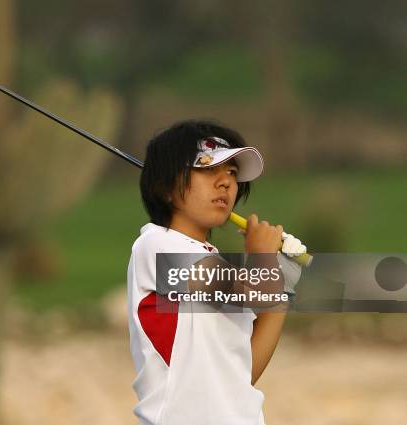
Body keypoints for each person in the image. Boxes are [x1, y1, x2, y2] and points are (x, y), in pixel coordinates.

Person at [127, 119, 306, 425]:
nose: (225, 182)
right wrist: (264, 259)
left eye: (232, 173)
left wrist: (282, 292)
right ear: (166, 188)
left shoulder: (217, 265)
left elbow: (242, 373)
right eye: (209, 168)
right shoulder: (155, 246)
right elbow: (255, 290)